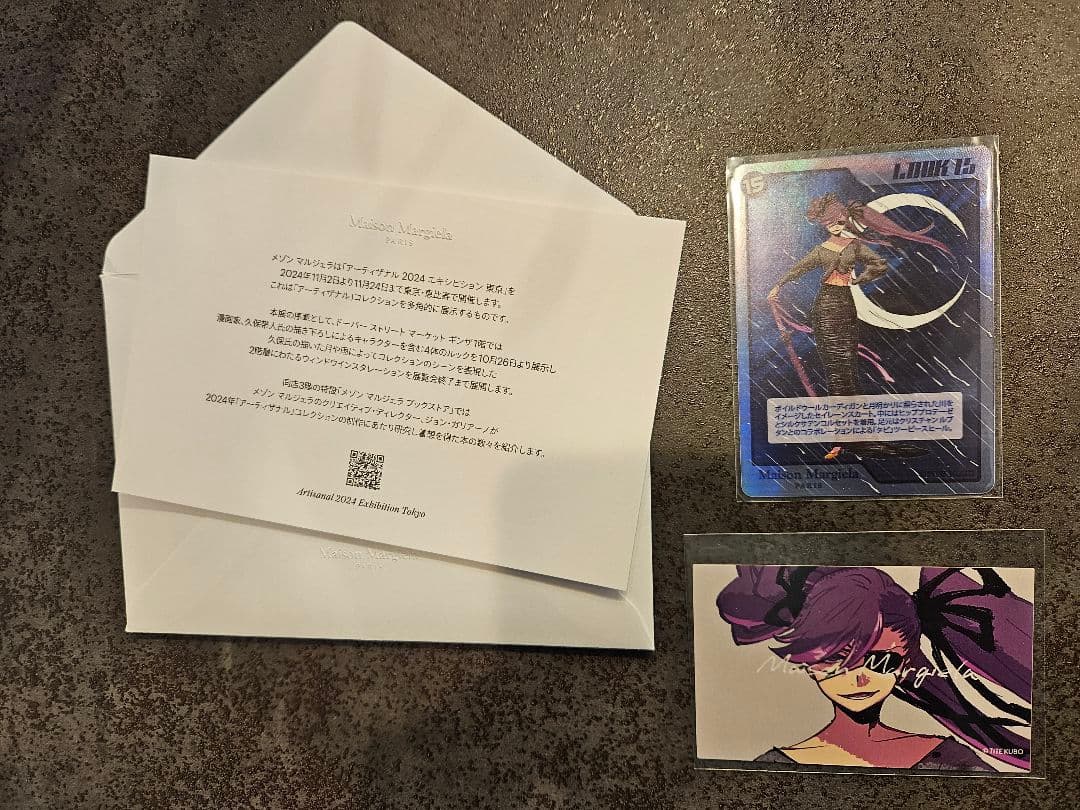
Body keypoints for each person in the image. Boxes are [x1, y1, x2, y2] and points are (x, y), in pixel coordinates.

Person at [716, 566, 1032, 771]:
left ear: (905, 660)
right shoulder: (774, 767)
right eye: (837, 661)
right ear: (808, 662)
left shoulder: (950, 760)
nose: (860, 678)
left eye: (882, 661)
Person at [767, 194, 952, 458]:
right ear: (823, 224)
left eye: (838, 221)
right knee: (837, 372)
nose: (835, 226)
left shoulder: (854, 246)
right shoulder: (821, 250)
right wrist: (777, 286)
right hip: (825, 307)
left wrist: (860, 279)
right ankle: (847, 438)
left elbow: (879, 264)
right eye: (829, 223)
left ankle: (854, 437)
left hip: (845, 305)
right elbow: (798, 268)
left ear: (845, 219)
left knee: (847, 372)